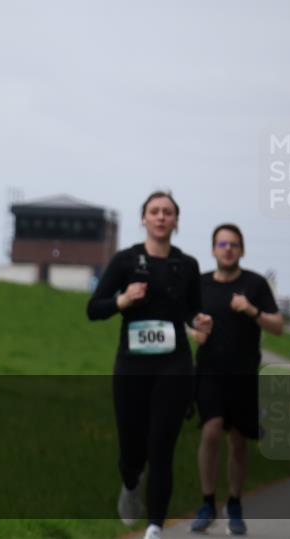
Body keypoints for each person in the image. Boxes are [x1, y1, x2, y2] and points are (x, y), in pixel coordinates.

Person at [86, 191, 213, 539]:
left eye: (168, 212)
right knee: (132, 447)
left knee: (162, 446)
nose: (161, 217)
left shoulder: (187, 266)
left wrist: (199, 321)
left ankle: (155, 525)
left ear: (176, 221)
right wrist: (122, 300)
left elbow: (192, 311)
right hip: (132, 366)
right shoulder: (126, 261)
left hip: (174, 366)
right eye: (154, 211)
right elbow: (93, 308)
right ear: (143, 219)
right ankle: (130, 484)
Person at [190, 224, 283, 536]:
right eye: (221, 243)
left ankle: (234, 503)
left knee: (240, 441)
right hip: (209, 372)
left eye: (233, 244)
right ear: (213, 249)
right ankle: (206, 502)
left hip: (243, 375)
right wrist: (196, 331)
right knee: (212, 430)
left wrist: (251, 310)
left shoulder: (254, 284)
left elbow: (278, 326)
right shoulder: (200, 284)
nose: (227, 249)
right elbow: (187, 323)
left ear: (242, 250)